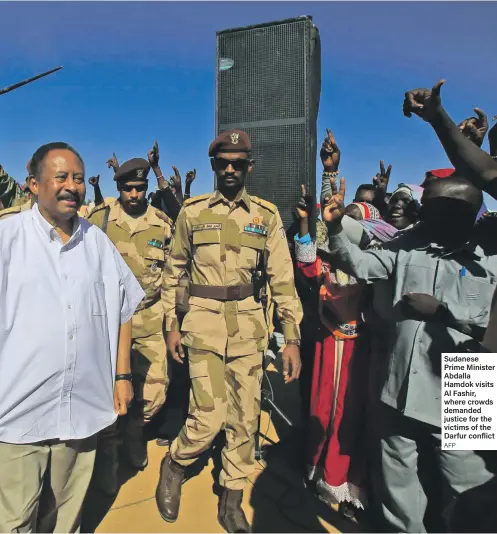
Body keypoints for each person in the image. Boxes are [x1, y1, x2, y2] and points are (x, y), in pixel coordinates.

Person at [322, 172, 496, 532]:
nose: (420, 210)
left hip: (468, 390)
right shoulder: (408, 245)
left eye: (431, 206)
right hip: (399, 382)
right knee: (398, 495)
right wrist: (337, 226)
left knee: (470, 498)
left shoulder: (490, 257)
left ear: (463, 213)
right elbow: (361, 265)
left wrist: (448, 317)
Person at [156, 129, 303, 533]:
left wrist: (291, 337)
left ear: (249, 166)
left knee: (245, 417)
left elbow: (283, 279)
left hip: (249, 326)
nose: (232, 169)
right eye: (224, 163)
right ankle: (176, 463)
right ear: (214, 166)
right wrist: (171, 325)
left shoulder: (265, 216)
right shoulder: (192, 212)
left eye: (239, 163)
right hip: (202, 323)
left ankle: (232, 495)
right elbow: (174, 273)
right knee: (209, 415)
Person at [0, 142, 144, 532]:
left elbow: (124, 306)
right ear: (33, 184)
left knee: (64, 516)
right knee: (13, 519)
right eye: (60, 177)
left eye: (78, 178)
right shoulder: (7, 239)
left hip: (81, 409)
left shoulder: (96, 242)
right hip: (17, 414)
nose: (72, 186)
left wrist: (122, 375)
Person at [86, 156, 173, 474]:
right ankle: (110, 448)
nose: (134, 194)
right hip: (107, 322)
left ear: (146, 187)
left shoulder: (162, 224)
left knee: (154, 391)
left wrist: (172, 321)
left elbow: (172, 274)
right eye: (127, 188)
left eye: (139, 188)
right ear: (118, 187)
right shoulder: (100, 220)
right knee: (105, 387)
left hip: (149, 318)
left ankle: (135, 433)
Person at [294, 183, 368, 517]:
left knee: (348, 417)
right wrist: (307, 222)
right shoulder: (330, 263)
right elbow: (308, 265)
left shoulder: (374, 266)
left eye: (348, 222)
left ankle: (339, 479)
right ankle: (315, 469)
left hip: (360, 352)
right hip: (328, 346)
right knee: (321, 410)